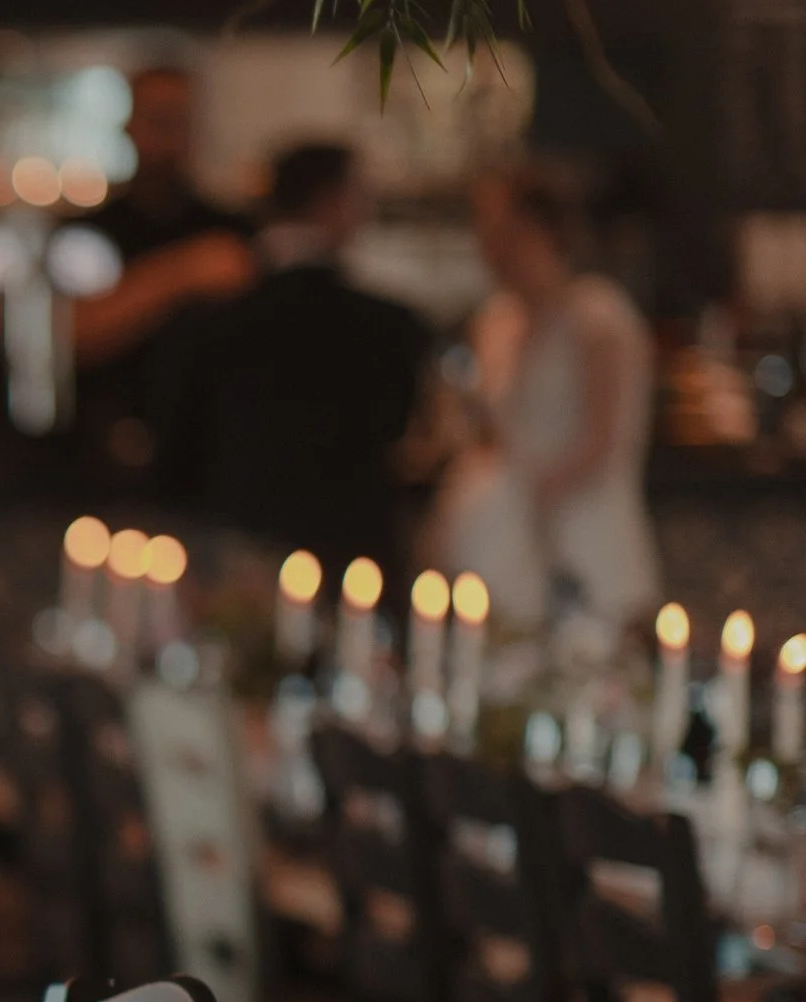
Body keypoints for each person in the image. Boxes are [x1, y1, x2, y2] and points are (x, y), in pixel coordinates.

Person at [165, 142, 430, 575]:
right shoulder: (393, 326)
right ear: (335, 202)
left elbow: (179, 452)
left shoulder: (205, 324)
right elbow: (399, 435)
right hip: (354, 558)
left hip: (238, 557)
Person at [429, 167, 660, 641]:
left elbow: (605, 440)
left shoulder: (598, 316)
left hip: (582, 523)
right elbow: (487, 437)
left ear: (543, 233)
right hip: (505, 528)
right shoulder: (495, 322)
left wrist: (521, 500)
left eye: (504, 232)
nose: (491, 248)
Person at [71, 67, 258, 469]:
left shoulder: (232, 229)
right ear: (129, 126)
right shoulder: (88, 234)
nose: (168, 137)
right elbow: (69, 336)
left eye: (180, 121)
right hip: (104, 456)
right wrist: (183, 273)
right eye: (157, 120)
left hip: (211, 457)